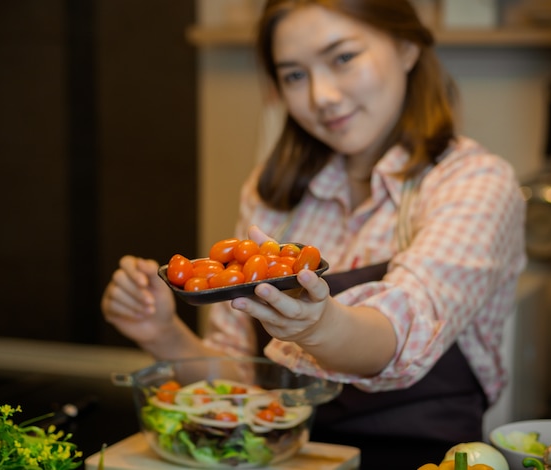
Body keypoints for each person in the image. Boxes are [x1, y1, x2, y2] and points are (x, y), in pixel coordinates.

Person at [101, 1, 526, 468]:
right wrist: (164, 333)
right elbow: (242, 378)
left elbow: (402, 328)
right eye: (294, 75)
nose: (321, 95)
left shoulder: (474, 183)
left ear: (407, 47)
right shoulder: (273, 193)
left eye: (343, 57)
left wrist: (317, 327)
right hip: (291, 457)